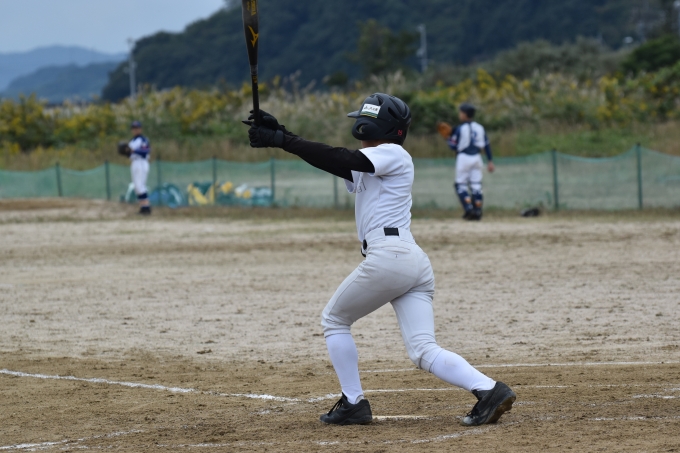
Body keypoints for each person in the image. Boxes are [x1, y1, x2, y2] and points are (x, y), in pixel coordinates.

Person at [245, 93, 516, 427]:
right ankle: (490, 390)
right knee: (423, 350)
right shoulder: (371, 160)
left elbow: (342, 157)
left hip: (391, 257)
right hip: (410, 260)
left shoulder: (393, 153)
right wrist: (283, 135)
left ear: (373, 125)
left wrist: (283, 140)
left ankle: (353, 403)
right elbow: (333, 160)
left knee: (334, 320)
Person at [447, 103, 494, 221]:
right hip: (477, 157)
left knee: (460, 185)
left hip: (463, 157)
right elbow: (486, 146)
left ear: (464, 114)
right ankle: (477, 210)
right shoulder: (480, 127)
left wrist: (448, 138)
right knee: (476, 184)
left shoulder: (460, 128)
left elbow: (453, 145)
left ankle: (468, 208)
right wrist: (490, 161)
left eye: (460, 112)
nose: (459, 115)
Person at [128, 120, 151, 215]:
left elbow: (145, 151)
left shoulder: (143, 139)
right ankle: (143, 208)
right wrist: (125, 151)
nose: (135, 130)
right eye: (134, 128)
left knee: (140, 186)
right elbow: (129, 153)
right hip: (134, 162)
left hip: (141, 162)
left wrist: (133, 151)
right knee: (137, 187)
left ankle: (146, 208)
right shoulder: (132, 141)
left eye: (137, 128)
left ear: (140, 129)